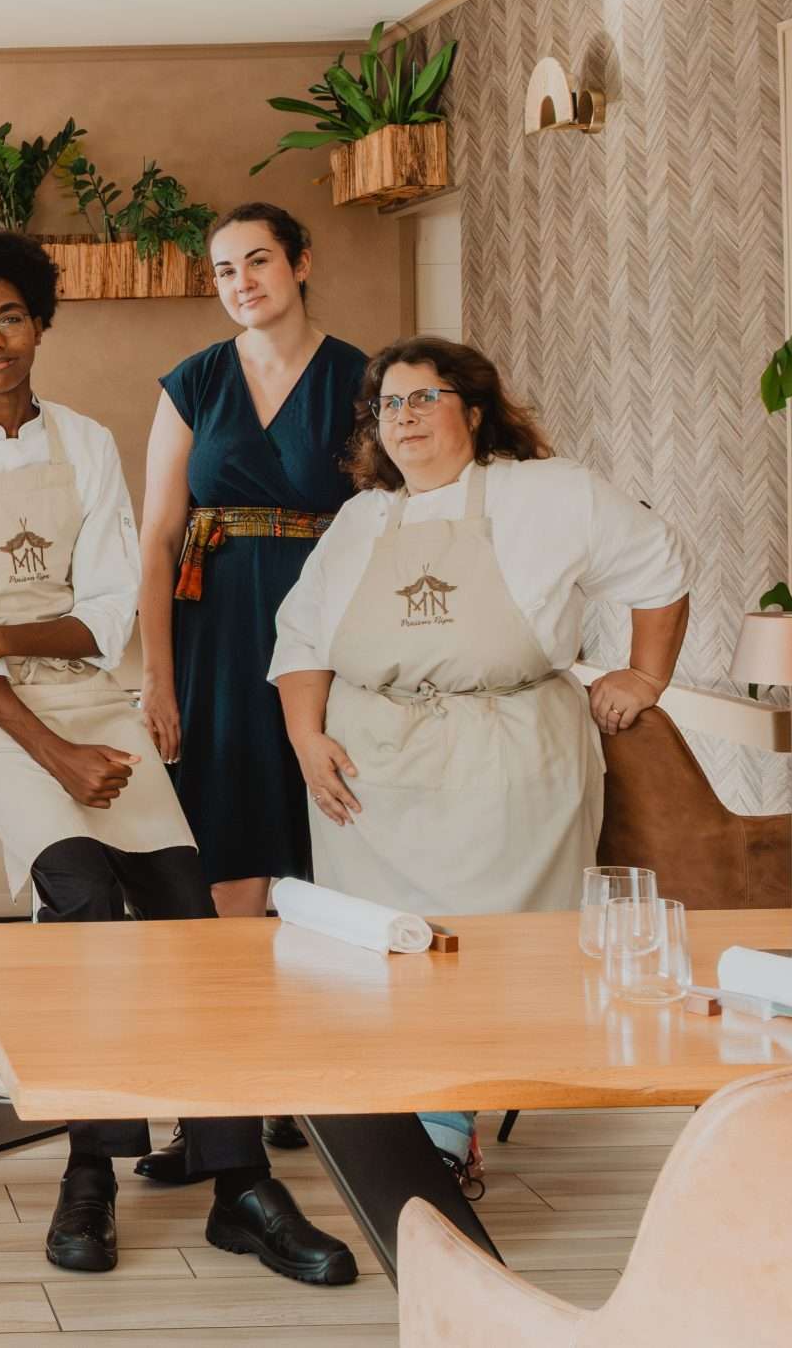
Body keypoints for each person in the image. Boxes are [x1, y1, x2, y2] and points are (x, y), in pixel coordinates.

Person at [0, 231, 353, 1286]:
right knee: (84, 893)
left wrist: (5, 635)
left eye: (10, 316)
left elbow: (101, 617)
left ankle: (239, 1186)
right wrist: (53, 750)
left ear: (40, 321)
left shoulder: (89, 443)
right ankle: (89, 1167)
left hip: (87, 697)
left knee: (192, 916)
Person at [271, 335, 687, 1184]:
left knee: (478, 957)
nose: (406, 415)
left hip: (507, 768)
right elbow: (301, 635)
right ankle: (404, 1123)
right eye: (390, 403)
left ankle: (443, 1134)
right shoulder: (361, 518)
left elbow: (660, 565)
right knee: (381, 954)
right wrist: (306, 738)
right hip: (373, 777)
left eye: (426, 397)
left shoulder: (550, 493)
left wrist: (645, 674)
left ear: (472, 408)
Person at [132, 203, 365, 1173]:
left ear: (299, 261)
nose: (241, 281)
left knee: (322, 866)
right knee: (227, 873)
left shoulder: (361, 380)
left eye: (257, 260)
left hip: (333, 645)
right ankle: (223, 1103)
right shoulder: (192, 383)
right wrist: (157, 676)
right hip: (216, 639)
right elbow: (155, 534)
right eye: (224, 269)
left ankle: (318, 1086)